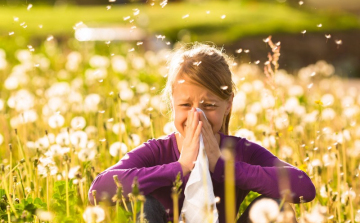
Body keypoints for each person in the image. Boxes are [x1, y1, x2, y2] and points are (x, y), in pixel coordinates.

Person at [88, 43, 316, 223]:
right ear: (172, 104)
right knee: (143, 203)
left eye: (209, 106)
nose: (197, 116)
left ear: (228, 105)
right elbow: (98, 191)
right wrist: (179, 168)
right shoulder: (157, 151)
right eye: (186, 105)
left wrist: (225, 167)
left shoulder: (239, 151)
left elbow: (303, 188)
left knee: (279, 205)